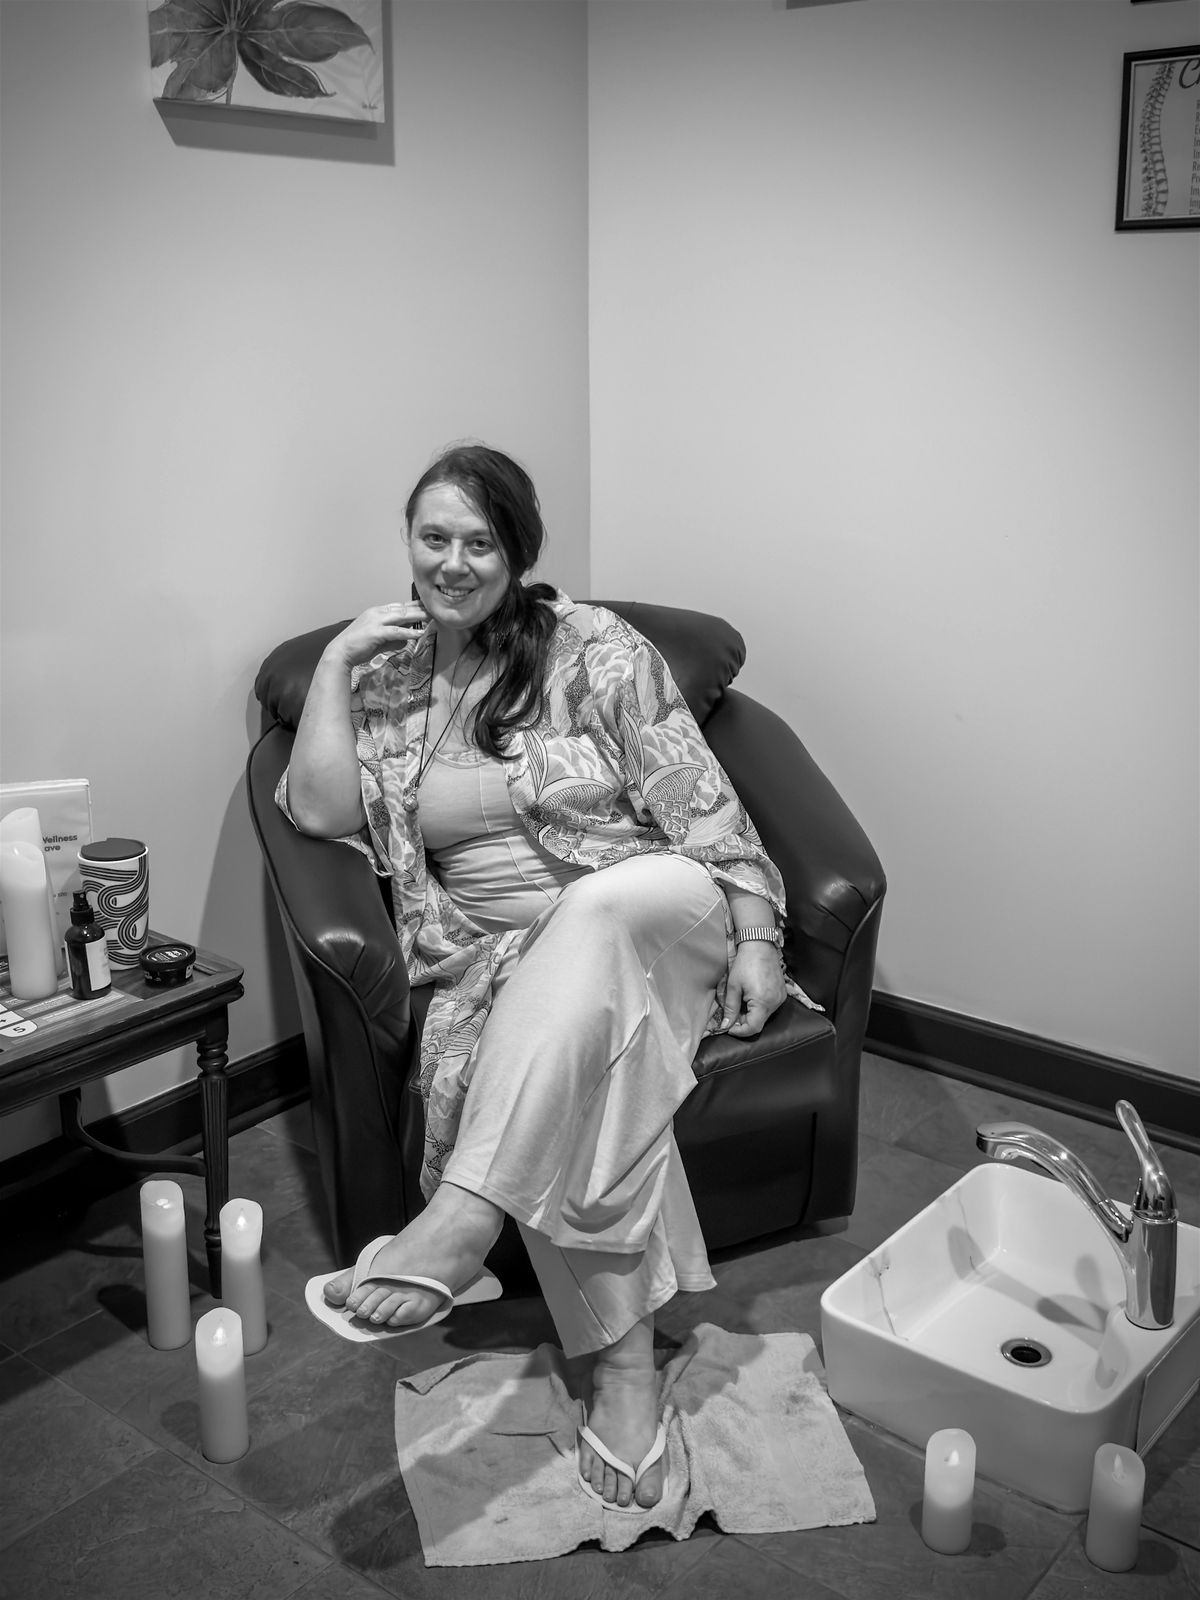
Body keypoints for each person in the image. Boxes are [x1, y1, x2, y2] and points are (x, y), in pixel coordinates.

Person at [279, 443, 801, 1510]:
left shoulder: (590, 645)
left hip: (658, 905)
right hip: (514, 964)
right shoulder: (386, 678)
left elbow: (697, 794)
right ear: (407, 543)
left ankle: (464, 1213)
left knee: (595, 911)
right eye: (434, 537)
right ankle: (625, 1375)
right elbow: (321, 811)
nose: (454, 562)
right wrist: (333, 664)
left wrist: (757, 934)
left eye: (480, 542)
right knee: (590, 1060)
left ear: (517, 554)